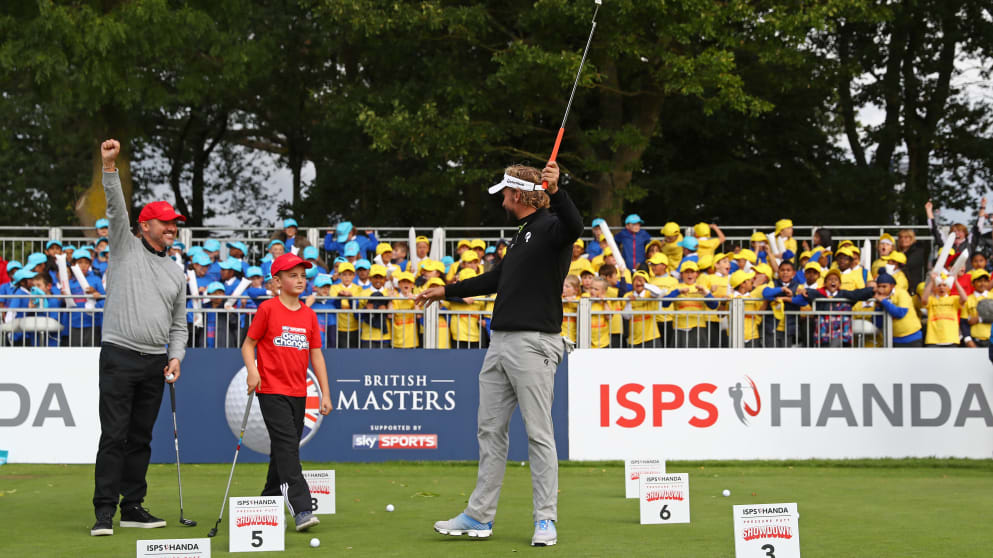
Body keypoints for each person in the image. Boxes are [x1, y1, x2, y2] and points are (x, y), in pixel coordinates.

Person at [418, 161, 580, 546]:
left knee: (539, 434)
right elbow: (497, 278)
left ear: (518, 193)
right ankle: (479, 516)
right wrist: (447, 290)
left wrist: (556, 191)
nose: (502, 200)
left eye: (506, 193)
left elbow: (575, 226)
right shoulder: (520, 233)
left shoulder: (552, 226)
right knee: (490, 430)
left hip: (535, 343)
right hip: (501, 342)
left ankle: (545, 520)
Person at [92, 139, 188, 537]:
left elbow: (179, 324)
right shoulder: (124, 247)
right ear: (145, 226)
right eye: (165, 222)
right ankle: (104, 512)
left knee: (141, 439)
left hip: (154, 362)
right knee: (114, 436)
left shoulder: (177, 273)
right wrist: (109, 167)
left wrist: (176, 356)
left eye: (174, 223)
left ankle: (132, 506)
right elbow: (116, 208)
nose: (172, 228)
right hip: (119, 355)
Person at [241, 252, 332, 533]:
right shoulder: (268, 309)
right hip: (271, 390)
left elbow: (316, 355)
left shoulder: (309, 315)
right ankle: (302, 508)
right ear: (277, 282)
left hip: (298, 392)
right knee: (288, 447)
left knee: (283, 449)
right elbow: (248, 344)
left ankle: (266, 501)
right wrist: (253, 371)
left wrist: (326, 394)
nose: (300, 280)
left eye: (303, 276)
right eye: (293, 275)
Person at [872, 273, 923, 347]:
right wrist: (878, 307)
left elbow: (900, 313)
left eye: (884, 286)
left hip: (912, 337)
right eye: (879, 286)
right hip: (892, 339)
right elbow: (878, 324)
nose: (881, 289)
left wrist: (883, 301)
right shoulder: (880, 298)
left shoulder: (902, 293)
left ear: (892, 286)